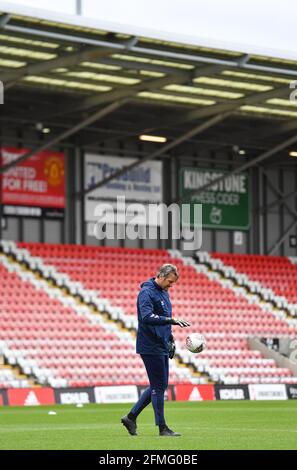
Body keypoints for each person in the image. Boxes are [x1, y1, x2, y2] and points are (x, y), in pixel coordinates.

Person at [121, 263, 190, 437]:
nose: (171, 285)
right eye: (169, 281)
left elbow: (165, 318)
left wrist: (170, 338)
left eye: (173, 283)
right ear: (160, 275)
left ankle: (131, 417)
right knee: (159, 386)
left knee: (158, 385)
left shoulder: (164, 293)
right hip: (149, 345)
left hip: (161, 344)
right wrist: (171, 320)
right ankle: (162, 427)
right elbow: (147, 316)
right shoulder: (146, 292)